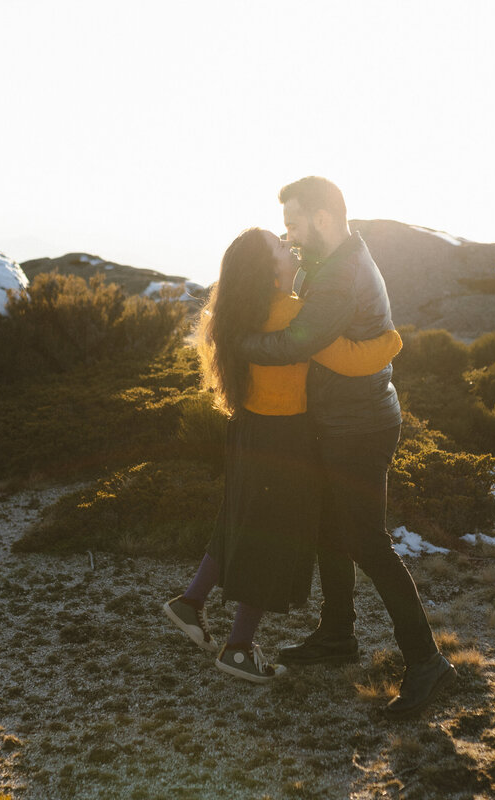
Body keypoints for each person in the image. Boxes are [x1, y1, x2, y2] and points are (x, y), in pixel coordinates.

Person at [238, 177, 455, 717]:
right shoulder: (332, 256)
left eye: (292, 223)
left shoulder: (340, 273)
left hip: (358, 427)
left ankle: (427, 663)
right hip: (341, 418)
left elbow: (298, 341)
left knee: (367, 541)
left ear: (322, 218)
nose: (287, 236)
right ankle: (337, 636)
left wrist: (234, 342)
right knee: (331, 532)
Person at [163, 227, 402, 684]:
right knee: (270, 537)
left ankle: (190, 603)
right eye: (278, 247)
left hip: (250, 432)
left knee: (240, 517)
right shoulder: (290, 313)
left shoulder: (243, 312)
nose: (288, 247)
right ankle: (238, 649)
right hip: (282, 438)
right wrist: (393, 340)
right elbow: (352, 358)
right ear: (268, 271)